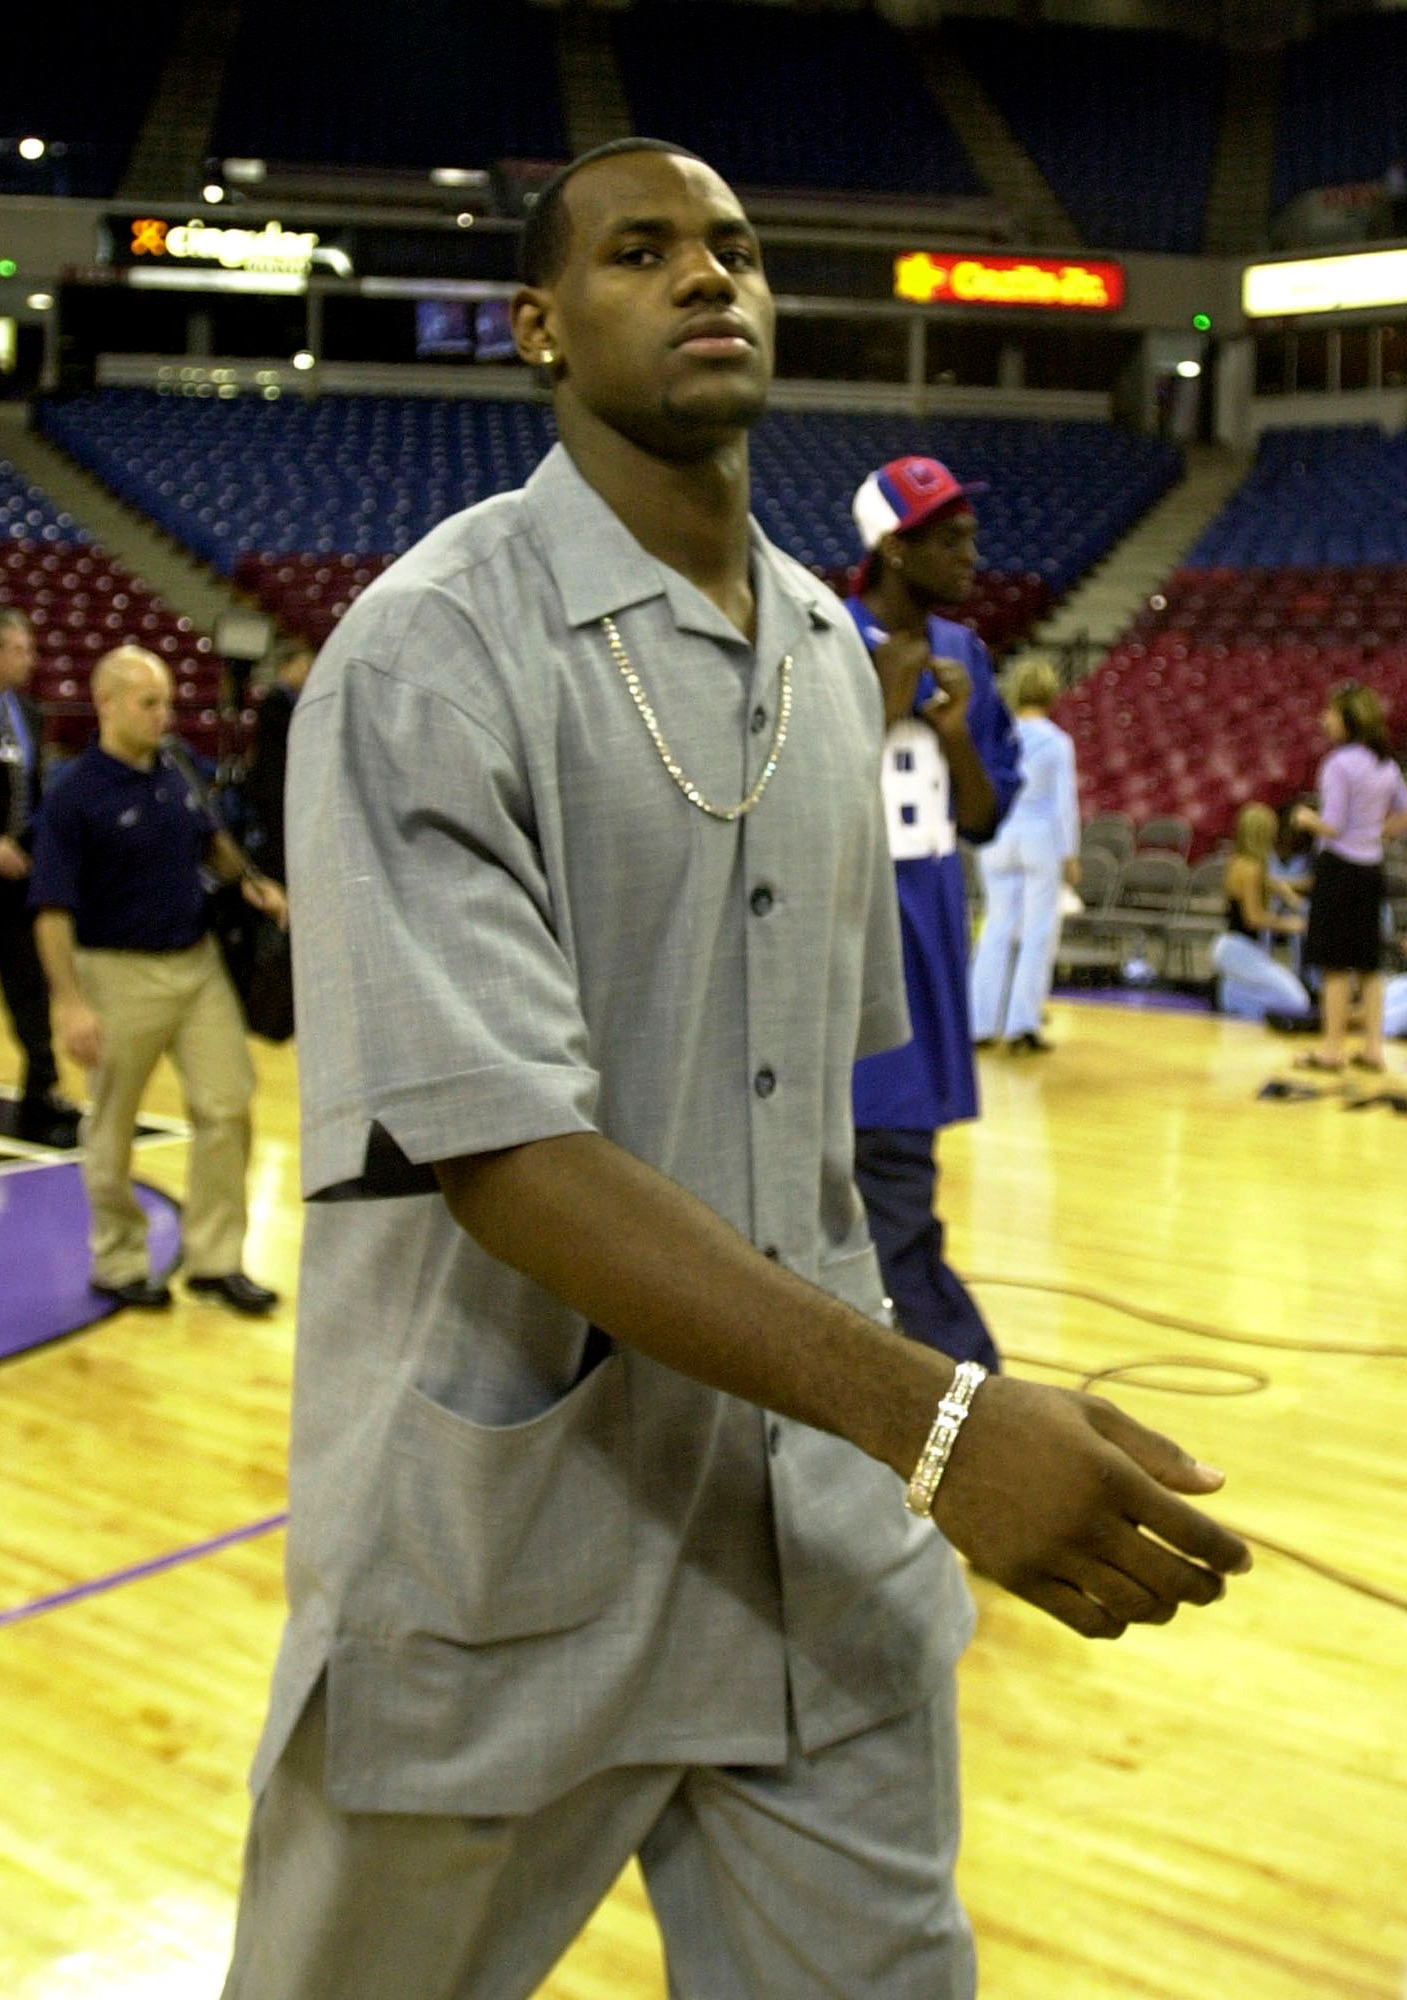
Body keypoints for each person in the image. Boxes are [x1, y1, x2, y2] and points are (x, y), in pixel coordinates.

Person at [219, 139, 1250, 2000]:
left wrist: (890, 1445)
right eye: (642, 252)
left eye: (739, 249)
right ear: (538, 324)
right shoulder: (426, 656)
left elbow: (807, 1144)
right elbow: (510, 1157)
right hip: (518, 1539)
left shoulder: (835, 662)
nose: (711, 277)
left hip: (818, 1547)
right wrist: (938, 1418)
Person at [29, 646, 287, 1313]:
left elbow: (212, 839)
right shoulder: (74, 795)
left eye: (167, 700)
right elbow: (51, 910)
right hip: (116, 973)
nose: (163, 714)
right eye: (148, 702)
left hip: (196, 965)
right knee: (112, 1125)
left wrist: (252, 883)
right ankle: (117, 1260)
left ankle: (215, 1259)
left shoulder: (177, 766)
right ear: (106, 702)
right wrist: (69, 1003)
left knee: (227, 1104)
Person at [843, 453, 1020, 1372]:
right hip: (837, 962)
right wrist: (879, 699)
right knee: (888, 1213)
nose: (971, 554)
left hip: (924, 964)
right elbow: (791, 799)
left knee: (894, 1202)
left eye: (970, 534)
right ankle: (978, 1401)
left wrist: (954, 738)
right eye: (947, 539)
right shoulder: (819, 640)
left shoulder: (968, 656)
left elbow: (984, 818)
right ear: (892, 548)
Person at [0, 606, 81, 1145]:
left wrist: (39, 846)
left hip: (18, 872)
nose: (31, 659)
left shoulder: (31, 712)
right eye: (19, 649)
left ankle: (42, 1087)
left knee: (29, 983)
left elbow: (36, 791)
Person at [1291, 681, 1407, 1073]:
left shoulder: (1338, 764)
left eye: (1329, 712)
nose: (1323, 718)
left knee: (1333, 964)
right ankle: (1373, 1048)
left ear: (1346, 719)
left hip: (1339, 870)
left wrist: (1304, 818)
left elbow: (1333, 824)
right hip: (1370, 869)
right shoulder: (1386, 764)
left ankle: (1331, 1050)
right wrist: (1380, 833)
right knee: (1368, 964)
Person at [968, 656, 1080, 1053]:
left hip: (998, 837)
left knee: (996, 928)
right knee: (1037, 934)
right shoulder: (1057, 741)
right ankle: (1022, 1025)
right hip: (1039, 839)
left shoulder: (999, 735)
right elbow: (1063, 803)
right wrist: (1071, 854)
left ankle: (980, 1023)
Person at [1209, 802, 1312, 1023]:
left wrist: (1285, 889)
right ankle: (1236, 1001)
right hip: (1240, 948)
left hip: (1230, 946)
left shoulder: (1238, 862)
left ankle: (1232, 998)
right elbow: (1253, 918)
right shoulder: (1252, 868)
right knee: (1297, 1002)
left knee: (1253, 994)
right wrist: (1288, 924)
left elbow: (1271, 884)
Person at [242, 633, 314, 883]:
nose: (308, 673)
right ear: (287, 667)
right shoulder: (274, 702)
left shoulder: (295, 701)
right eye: (303, 666)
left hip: (286, 784)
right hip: (272, 785)